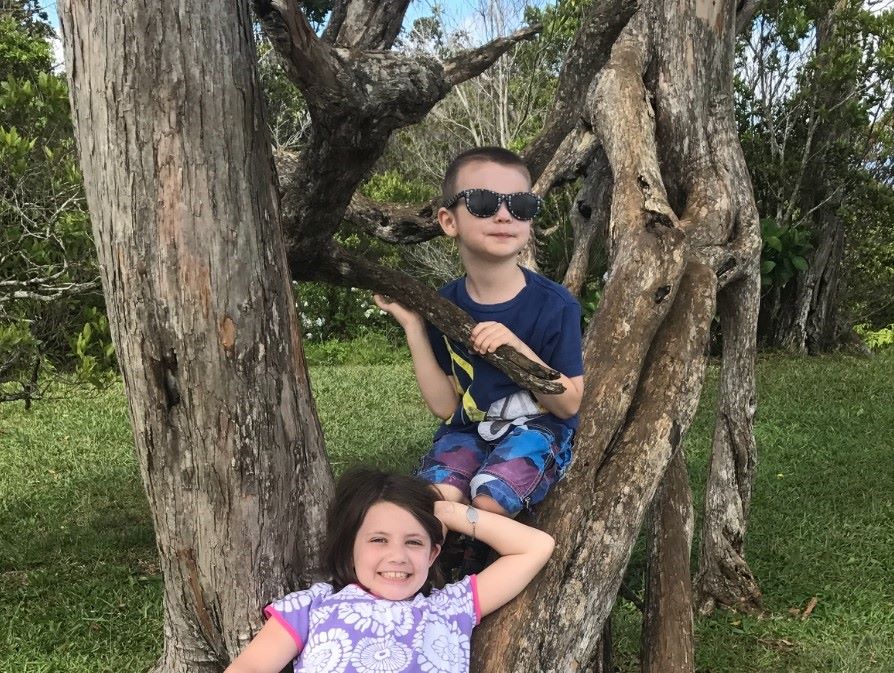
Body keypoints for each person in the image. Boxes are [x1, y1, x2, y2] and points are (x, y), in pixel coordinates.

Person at [375, 147, 584, 525]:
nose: (504, 214)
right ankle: (452, 553)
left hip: (536, 428)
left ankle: (495, 561)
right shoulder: (446, 303)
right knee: (435, 497)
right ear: (448, 221)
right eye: (484, 202)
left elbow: (569, 406)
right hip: (471, 427)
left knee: (491, 497)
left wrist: (516, 349)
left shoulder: (556, 305)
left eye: (521, 204)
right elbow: (445, 407)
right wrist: (413, 326)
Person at [224, 468, 554, 673]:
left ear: (433, 553)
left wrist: (449, 512)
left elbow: (535, 548)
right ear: (351, 547)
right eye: (379, 539)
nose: (397, 556)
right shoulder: (313, 607)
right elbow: (250, 667)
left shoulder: (451, 606)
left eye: (414, 542)